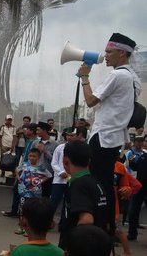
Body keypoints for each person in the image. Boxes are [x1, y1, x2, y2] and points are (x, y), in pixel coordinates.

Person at [78, 33, 139, 238]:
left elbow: (91, 100)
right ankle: (107, 227)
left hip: (103, 136)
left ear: (122, 52)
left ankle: (98, 226)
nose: (105, 55)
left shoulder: (118, 75)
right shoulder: (132, 77)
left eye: (109, 51)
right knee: (105, 182)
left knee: (98, 182)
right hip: (113, 138)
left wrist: (85, 77)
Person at [59, 141, 108, 249]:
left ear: (65, 161)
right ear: (89, 161)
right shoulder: (95, 183)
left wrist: (74, 248)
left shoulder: (78, 184)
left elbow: (86, 220)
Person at [50, 127, 87, 228]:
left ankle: (63, 223)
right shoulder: (60, 147)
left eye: (72, 135)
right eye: (68, 135)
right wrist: (61, 172)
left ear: (77, 136)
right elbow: (54, 162)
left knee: (68, 203)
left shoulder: (79, 149)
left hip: (73, 179)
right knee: (54, 201)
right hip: (59, 179)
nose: (70, 137)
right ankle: (47, 221)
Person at [2, 123, 39, 218]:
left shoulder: (35, 142)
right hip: (23, 166)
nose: (25, 131)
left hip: (28, 169)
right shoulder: (28, 140)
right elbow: (18, 133)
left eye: (27, 129)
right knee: (17, 189)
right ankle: (16, 210)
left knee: (22, 190)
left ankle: (21, 212)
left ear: (32, 131)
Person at [14, 149, 52, 235]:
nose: (31, 158)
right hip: (23, 192)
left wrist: (40, 181)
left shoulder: (41, 167)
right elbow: (17, 170)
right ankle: (21, 227)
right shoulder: (24, 164)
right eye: (30, 156)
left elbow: (49, 175)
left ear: (38, 157)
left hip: (35, 193)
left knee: (32, 211)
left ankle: (30, 229)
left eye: (34, 156)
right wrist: (18, 177)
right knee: (22, 209)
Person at [127, 136, 147, 241]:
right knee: (133, 211)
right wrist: (131, 162)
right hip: (139, 188)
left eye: (142, 141)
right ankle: (132, 234)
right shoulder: (143, 156)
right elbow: (135, 167)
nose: (141, 143)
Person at [32, 121, 58, 197]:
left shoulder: (55, 144)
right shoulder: (35, 143)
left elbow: (55, 160)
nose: (36, 132)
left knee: (45, 196)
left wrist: (45, 152)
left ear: (44, 131)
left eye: (38, 130)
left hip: (48, 175)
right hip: (35, 173)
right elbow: (30, 157)